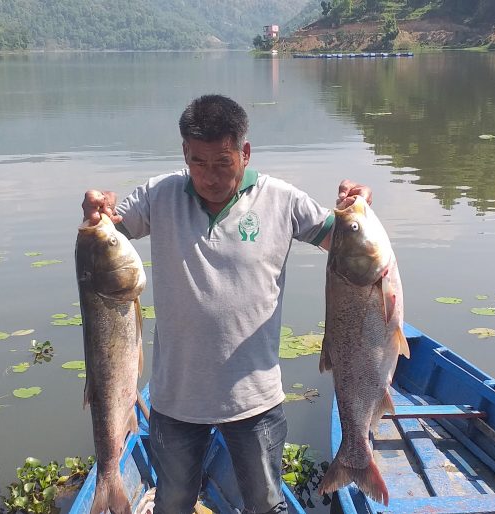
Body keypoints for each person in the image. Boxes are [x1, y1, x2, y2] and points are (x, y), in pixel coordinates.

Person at [81, 94, 371, 514]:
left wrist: (355, 211)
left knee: (264, 503)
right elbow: (106, 246)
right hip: (177, 398)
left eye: (222, 162)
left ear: (244, 152)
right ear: (185, 152)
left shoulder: (282, 199)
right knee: (173, 503)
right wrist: (97, 216)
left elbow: (347, 246)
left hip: (254, 398)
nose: (210, 176)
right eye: (198, 162)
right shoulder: (158, 195)